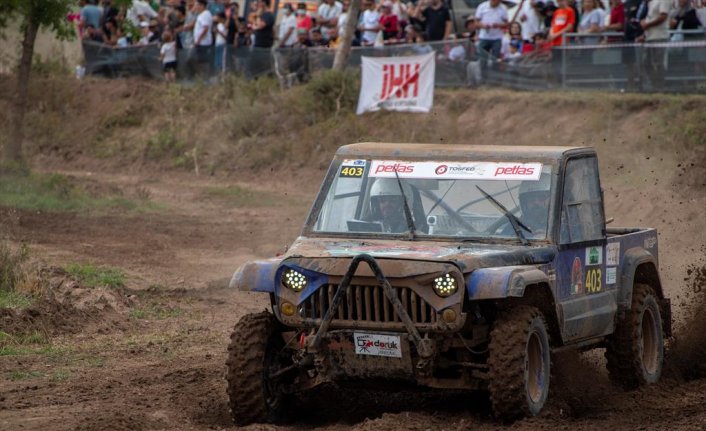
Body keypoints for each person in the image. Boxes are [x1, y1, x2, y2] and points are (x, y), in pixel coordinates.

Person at [640, 0, 670, 91]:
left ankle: (660, 86)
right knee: (647, 63)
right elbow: (650, 18)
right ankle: (653, 85)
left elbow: (663, 16)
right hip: (650, 38)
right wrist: (644, 34)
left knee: (659, 63)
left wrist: (648, 24)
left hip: (660, 37)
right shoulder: (651, 3)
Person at [475, 0, 509, 64]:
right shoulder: (482, 6)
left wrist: (498, 25)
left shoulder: (503, 8)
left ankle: (493, 72)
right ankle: (483, 72)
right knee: (483, 58)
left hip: (497, 38)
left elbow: (506, 23)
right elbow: (476, 22)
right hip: (484, 37)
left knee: (495, 59)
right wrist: (483, 25)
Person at [188, 0, 213, 78]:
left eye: (197, 5)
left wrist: (198, 40)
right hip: (200, 42)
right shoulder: (201, 15)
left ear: (202, 5)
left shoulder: (205, 15)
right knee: (197, 59)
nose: (196, 7)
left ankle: (204, 76)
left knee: (202, 60)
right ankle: (200, 75)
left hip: (203, 42)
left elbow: (205, 28)